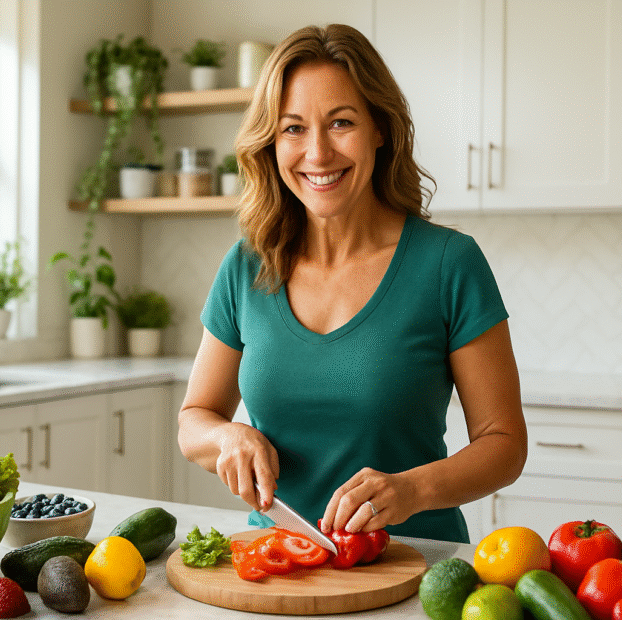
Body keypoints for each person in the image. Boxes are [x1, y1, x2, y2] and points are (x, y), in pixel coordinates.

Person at [177, 23, 526, 543]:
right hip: (279, 564)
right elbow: (193, 420)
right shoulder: (246, 268)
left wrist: (413, 490)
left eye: (340, 122)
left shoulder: (449, 264)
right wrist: (228, 436)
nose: (317, 153)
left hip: (415, 568)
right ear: (271, 142)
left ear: (379, 128)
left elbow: (504, 443)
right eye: (293, 128)